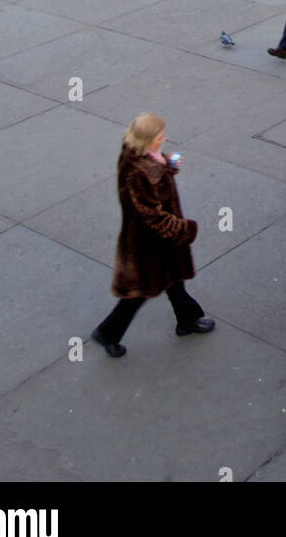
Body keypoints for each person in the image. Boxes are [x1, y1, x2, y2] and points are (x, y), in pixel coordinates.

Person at [91, 114, 214, 358]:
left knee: (174, 282)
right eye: (160, 136)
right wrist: (184, 230)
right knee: (139, 293)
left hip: (158, 241)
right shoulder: (137, 174)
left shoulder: (138, 155)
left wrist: (166, 165)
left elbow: (155, 177)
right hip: (148, 244)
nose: (164, 138)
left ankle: (187, 320)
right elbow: (152, 216)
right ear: (148, 139)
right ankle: (107, 333)